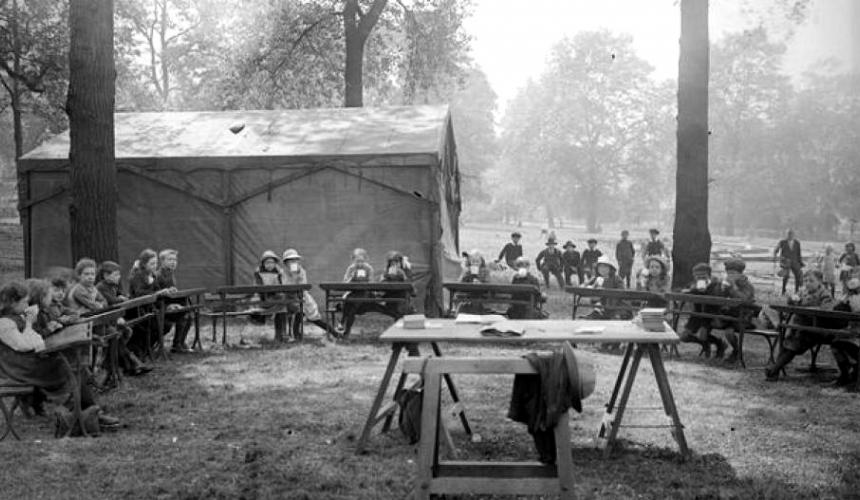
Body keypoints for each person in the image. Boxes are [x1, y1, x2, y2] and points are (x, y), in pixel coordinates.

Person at [0, 281, 120, 429]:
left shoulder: (17, 317)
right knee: (70, 367)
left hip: (26, 363)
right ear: (13, 302)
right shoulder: (4, 323)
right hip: (19, 369)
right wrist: (30, 324)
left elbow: (36, 342)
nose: (27, 305)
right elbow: (25, 345)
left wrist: (32, 331)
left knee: (73, 366)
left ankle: (89, 411)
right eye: (24, 302)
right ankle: (88, 413)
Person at [765, 270, 835, 381]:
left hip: (816, 329)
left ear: (820, 281)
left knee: (795, 342)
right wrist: (792, 300)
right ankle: (775, 370)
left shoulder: (825, 294)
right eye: (805, 281)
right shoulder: (803, 292)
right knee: (787, 341)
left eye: (811, 281)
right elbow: (792, 304)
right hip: (800, 327)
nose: (807, 283)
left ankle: (774, 369)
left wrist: (806, 309)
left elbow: (826, 310)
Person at [94, 261, 152, 376]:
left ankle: (129, 365)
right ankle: (132, 364)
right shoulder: (101, 287)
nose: (119, 277)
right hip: (105, 321)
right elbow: (112, 301)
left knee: (127, 332)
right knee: (119, 335)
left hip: (114, 318)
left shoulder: (113, 286)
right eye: (115, 274)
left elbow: (123, 296)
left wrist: (122, 297)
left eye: (119, 274)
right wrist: (120, 299)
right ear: (105, 275)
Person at [281, 248, 332, 340]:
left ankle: (334, 332)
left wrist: (297, 275)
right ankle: (295, 335)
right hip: (290, 299)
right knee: (297, 313)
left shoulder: (301, 271)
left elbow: (303, 285)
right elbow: (285, 286)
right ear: (286, 263)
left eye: (295, 260)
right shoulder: (283, 273)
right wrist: (292, 276)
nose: (293, 262)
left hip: (303, 298)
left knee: (315, 318)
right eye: (291, 261)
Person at [677, 263, 724, 357]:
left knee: (702, 335)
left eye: (703, 276)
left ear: (709, 275)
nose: (700, 278)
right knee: (684, 337)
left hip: (710, 315)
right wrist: (690, 290)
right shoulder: (693, 284)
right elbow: (685, 291)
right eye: (697, 276)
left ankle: (719, 343)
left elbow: (717, 297)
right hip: (696, 315)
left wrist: (706, 290)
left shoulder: (716, 285)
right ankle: (705, 344)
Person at [717, 259, 756, 364]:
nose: (730, 276)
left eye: (733, 273)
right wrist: (721, 290)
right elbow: (720, 299)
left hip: (743, 317)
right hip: (729, 316)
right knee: (707, 322)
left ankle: (736, 351)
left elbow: (744, 300)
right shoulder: (726, 284)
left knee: (729, 333)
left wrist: (733, 287)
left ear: (740, 274)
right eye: (728, 273)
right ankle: (718, 345)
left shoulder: (747, 285)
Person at [250, 250, 288, 342]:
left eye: (272, 262)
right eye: (267, 262)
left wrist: (276, 291)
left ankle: (280, 335)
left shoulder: (279, 272)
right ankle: (281, 334)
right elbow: (259, 288)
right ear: (263, 263)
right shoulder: (258, 272)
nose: (270, 265)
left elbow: (282, 285)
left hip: (275, 297)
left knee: (283, 307)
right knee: (282, 306)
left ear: (275, 263)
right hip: (262, 299)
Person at [339, 248, 375, 337]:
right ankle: (344, 327)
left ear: (365, 260)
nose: (359, 264)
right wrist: (351, 278)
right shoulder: (351, 268)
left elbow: (371, 283)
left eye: (362, 261)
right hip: (354, 292)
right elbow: (345, 283)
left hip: (366, 293)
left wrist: (365, 281)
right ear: (353, 260)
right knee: (349, 301)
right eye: (357, 261)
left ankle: (343, 325)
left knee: (352, 303)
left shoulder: (368, 268)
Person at [830, 278, 859, 387]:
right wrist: (844, 300)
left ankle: (854, 371)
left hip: (856, 333)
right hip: (851, 331)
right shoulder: (848, 298)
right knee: (836, 344)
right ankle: (845, 374)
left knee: (843, 343)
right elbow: (837, 310)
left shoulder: (855, 300)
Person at [580, 256, 626, 320]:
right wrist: (588, 283)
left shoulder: (616, 278)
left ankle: (603, 313)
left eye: (605, 266)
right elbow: (581, 287)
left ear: (610, 268)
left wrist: (606, 291)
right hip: (599, 304)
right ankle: (597, 312)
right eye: (600, 267)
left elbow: (622, 292)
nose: (602, 269)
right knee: (596, 297)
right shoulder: (596, 278)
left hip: (615, 305)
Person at [774, 229, 803, 295]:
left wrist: (800, 262)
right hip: (785, 262)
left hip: (795, 262)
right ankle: (783, 290)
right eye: (789, 234)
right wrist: (775, 253)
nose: (790, 236)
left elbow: (799, 253)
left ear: (794, 235)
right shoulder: (782, 242)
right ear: (786, 235)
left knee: (798, 276)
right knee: (786, 276)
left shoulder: (797, 243)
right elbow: (776, 249)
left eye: (791, 234)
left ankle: (796, 291)